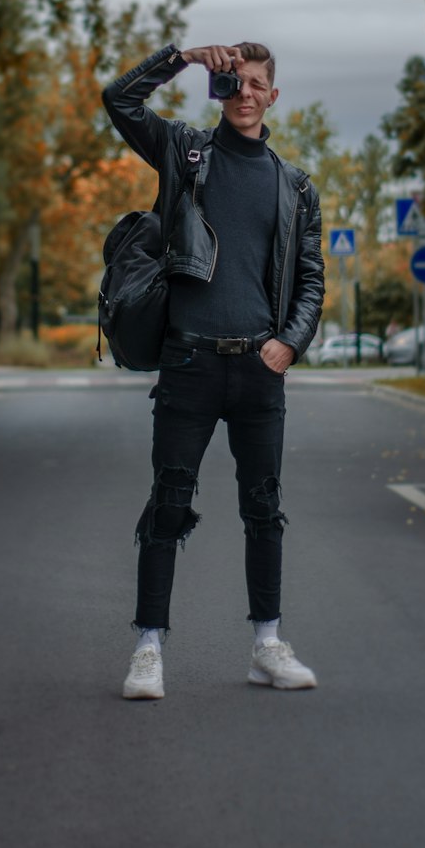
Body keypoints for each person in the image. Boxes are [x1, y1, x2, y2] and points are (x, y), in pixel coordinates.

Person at [102, 41, 325, 699]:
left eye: (257, 83)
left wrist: (290, 343)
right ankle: (148, 649)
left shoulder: (295, 186)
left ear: (273, 96)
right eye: (233, 81)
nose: (245, 92)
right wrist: (181, 57)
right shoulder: (186, 153)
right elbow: (119, 99)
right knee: (168, 503)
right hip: (190, 360)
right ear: (219, 87)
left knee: (264, 509)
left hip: (259, 367)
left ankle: (267, 644)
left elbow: (311, 280)